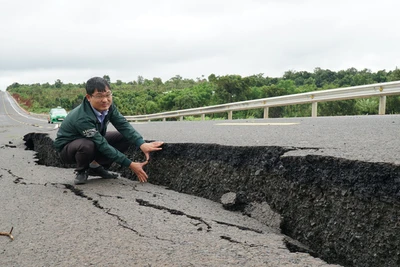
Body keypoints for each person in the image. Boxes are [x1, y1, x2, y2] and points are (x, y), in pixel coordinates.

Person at [53, 76, 163, 185]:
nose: (105, 100)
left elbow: (123, 125)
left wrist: (142, 144)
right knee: (87, 145)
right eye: (99, 96)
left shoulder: (109, 107)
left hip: (92, 140)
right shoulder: (82, 117)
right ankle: (82, 171)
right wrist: (130, 164)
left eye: (108, 95)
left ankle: (95, 166)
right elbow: (101, 144)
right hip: (68, 149)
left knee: (124, 137)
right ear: (88, 97)